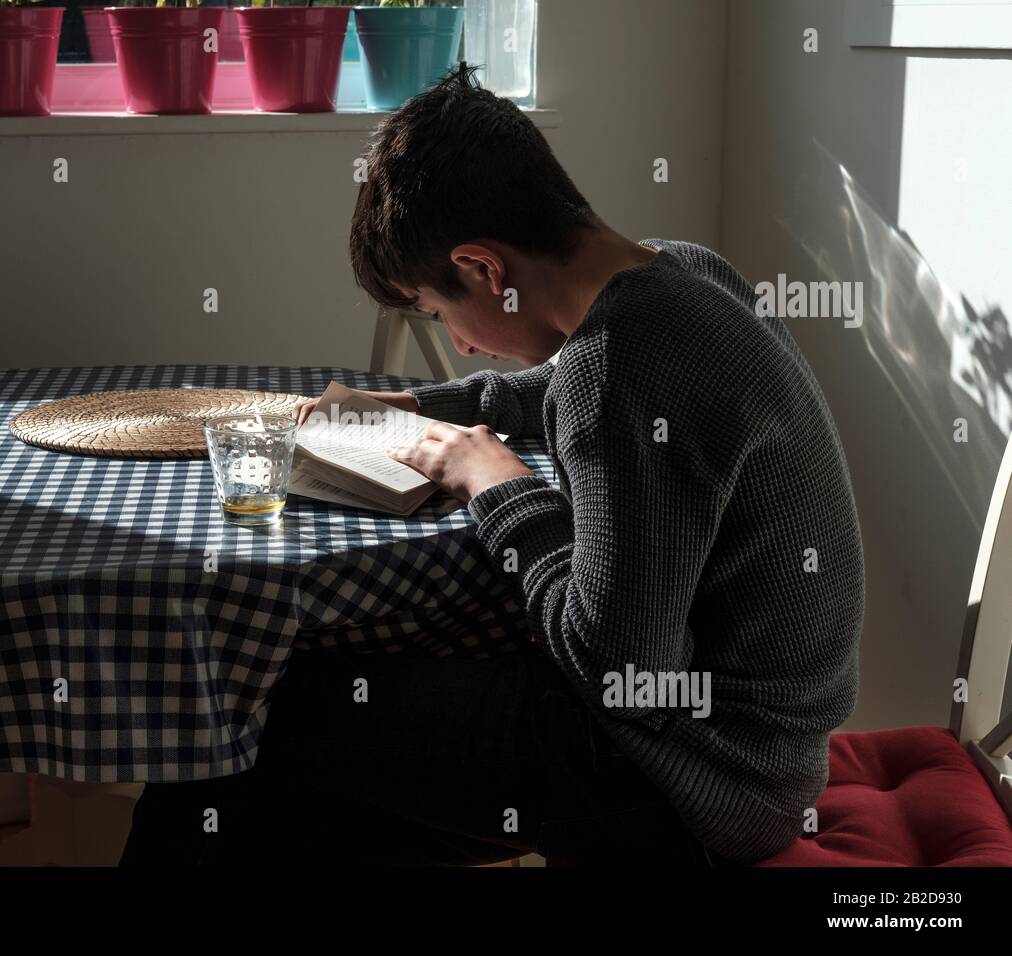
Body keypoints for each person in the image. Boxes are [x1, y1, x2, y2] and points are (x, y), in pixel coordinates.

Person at [119, 64, 863, 868]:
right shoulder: (682, 272)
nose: (461, 340)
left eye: (441, 312)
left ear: (484, 269)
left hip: (688, 782)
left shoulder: (617, 370)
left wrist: (494, 481)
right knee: (301, 794)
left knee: (250, 725)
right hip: (763, 757)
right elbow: (556, 387)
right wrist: (428, 409)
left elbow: (618, 668)